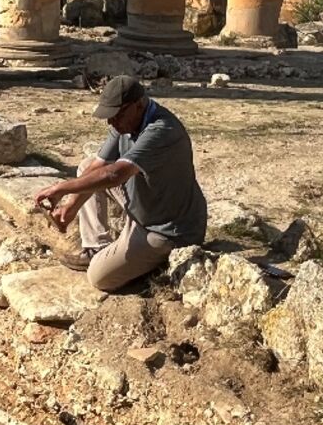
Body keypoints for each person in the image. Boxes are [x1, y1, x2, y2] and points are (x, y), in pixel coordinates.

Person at [34, 75, 207, 293]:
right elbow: (98, 166)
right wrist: (71, 207)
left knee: (99, 278)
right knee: (87, 167)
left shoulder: (162, 130)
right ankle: (97, 246)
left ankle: (152, 267)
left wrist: (61, 188)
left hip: (166, 231)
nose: (111, 122)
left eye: (116, 115)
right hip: (145, 205)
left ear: (139, 105)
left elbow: (115, 175)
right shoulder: (126, 121)